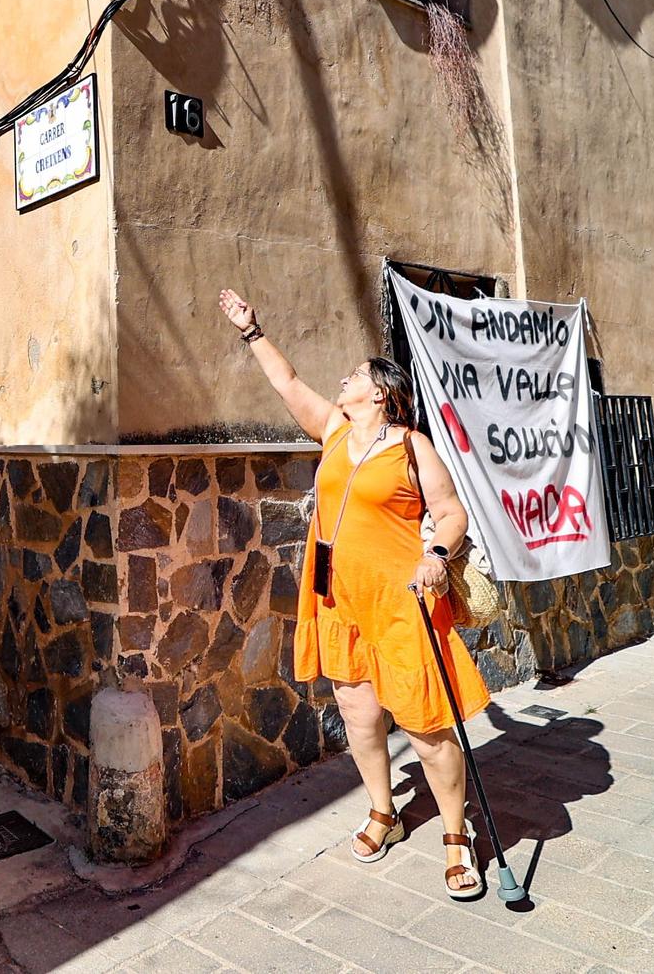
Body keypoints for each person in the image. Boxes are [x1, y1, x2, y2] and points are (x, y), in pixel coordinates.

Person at [219, 288, 491, 900]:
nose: (344, 379)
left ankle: (455, 836)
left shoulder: (411, 446)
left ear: (381, 393)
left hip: (401, 602)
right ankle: (384, 812)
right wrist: (251, 330)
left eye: (355, 376)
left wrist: (436, 556)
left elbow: (451, 513)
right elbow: (288, 382)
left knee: (425, 724)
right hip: (339, 599)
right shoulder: (335, 430)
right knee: (360, 715)